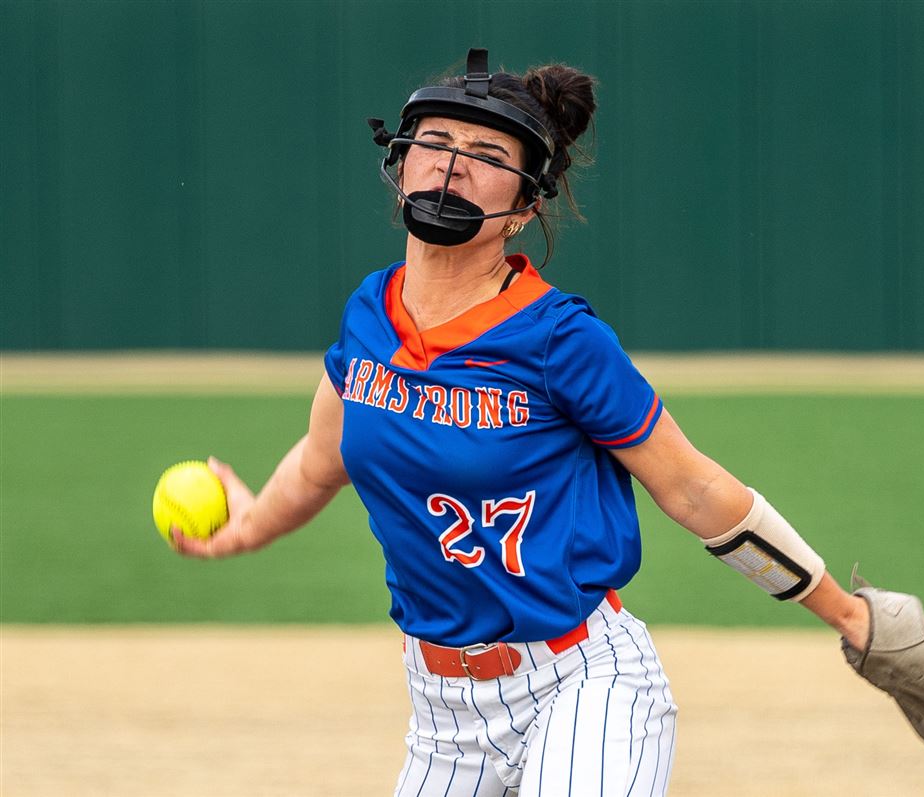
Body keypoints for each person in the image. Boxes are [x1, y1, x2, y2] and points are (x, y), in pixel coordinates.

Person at [171, 48, 887, 796]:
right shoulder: (368, 318)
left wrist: (846, 613)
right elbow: (322, 460)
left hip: (582, 683)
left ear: (524, 205)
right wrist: (249, 525)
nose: (452, 165)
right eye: (436, 143)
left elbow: (696, 490)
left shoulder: (559, 339)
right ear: (402, 162)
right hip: (442, 715)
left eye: (486, 154)